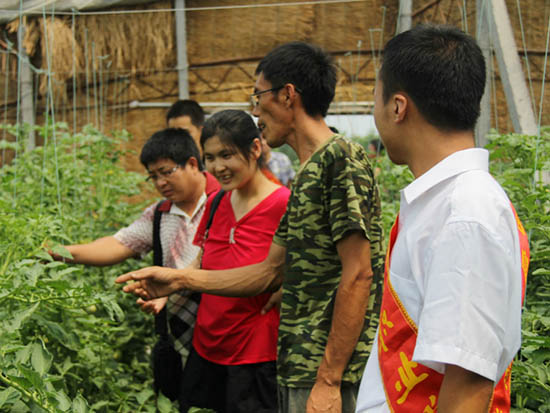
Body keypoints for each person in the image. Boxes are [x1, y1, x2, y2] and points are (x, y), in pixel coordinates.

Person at [118, 41, 384, 413]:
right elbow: (268, 272)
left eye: (258, 97)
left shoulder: (338, 159)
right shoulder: (307, 174)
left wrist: (329, 379)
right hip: (297, 365)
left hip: (322, 372)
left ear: (287, 95)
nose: (255, 111)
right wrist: (178, 279)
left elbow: (359, 274)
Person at [355, 24, 529, 412]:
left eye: (375, 98)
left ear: (397, 107)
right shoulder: (446, 204)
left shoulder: (466, 213)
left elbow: (467, 386)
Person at [50, 128, 220, 380]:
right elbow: (118, 244)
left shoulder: (225, 202)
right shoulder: (160, 214)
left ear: (193, 164)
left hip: (226, 331)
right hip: (180, 335)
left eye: (166, 172)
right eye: (153, 176)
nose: (160, 183)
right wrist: (56, 253)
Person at [177, 109, 289, 413]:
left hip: (255, 356)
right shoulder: (216, 203)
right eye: (210, 158)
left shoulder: (284, 204)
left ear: (255, 148)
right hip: (206, 348)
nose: (218, 167)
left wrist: (286, 285)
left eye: (227, 155)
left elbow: (309, 267)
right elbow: (200, 262)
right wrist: (167, 288)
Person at [259, 121, 296, 187]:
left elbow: (291, 181)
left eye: (264, 138)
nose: (263, 143)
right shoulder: (254, 163)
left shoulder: (282, 159)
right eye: (260, 140)